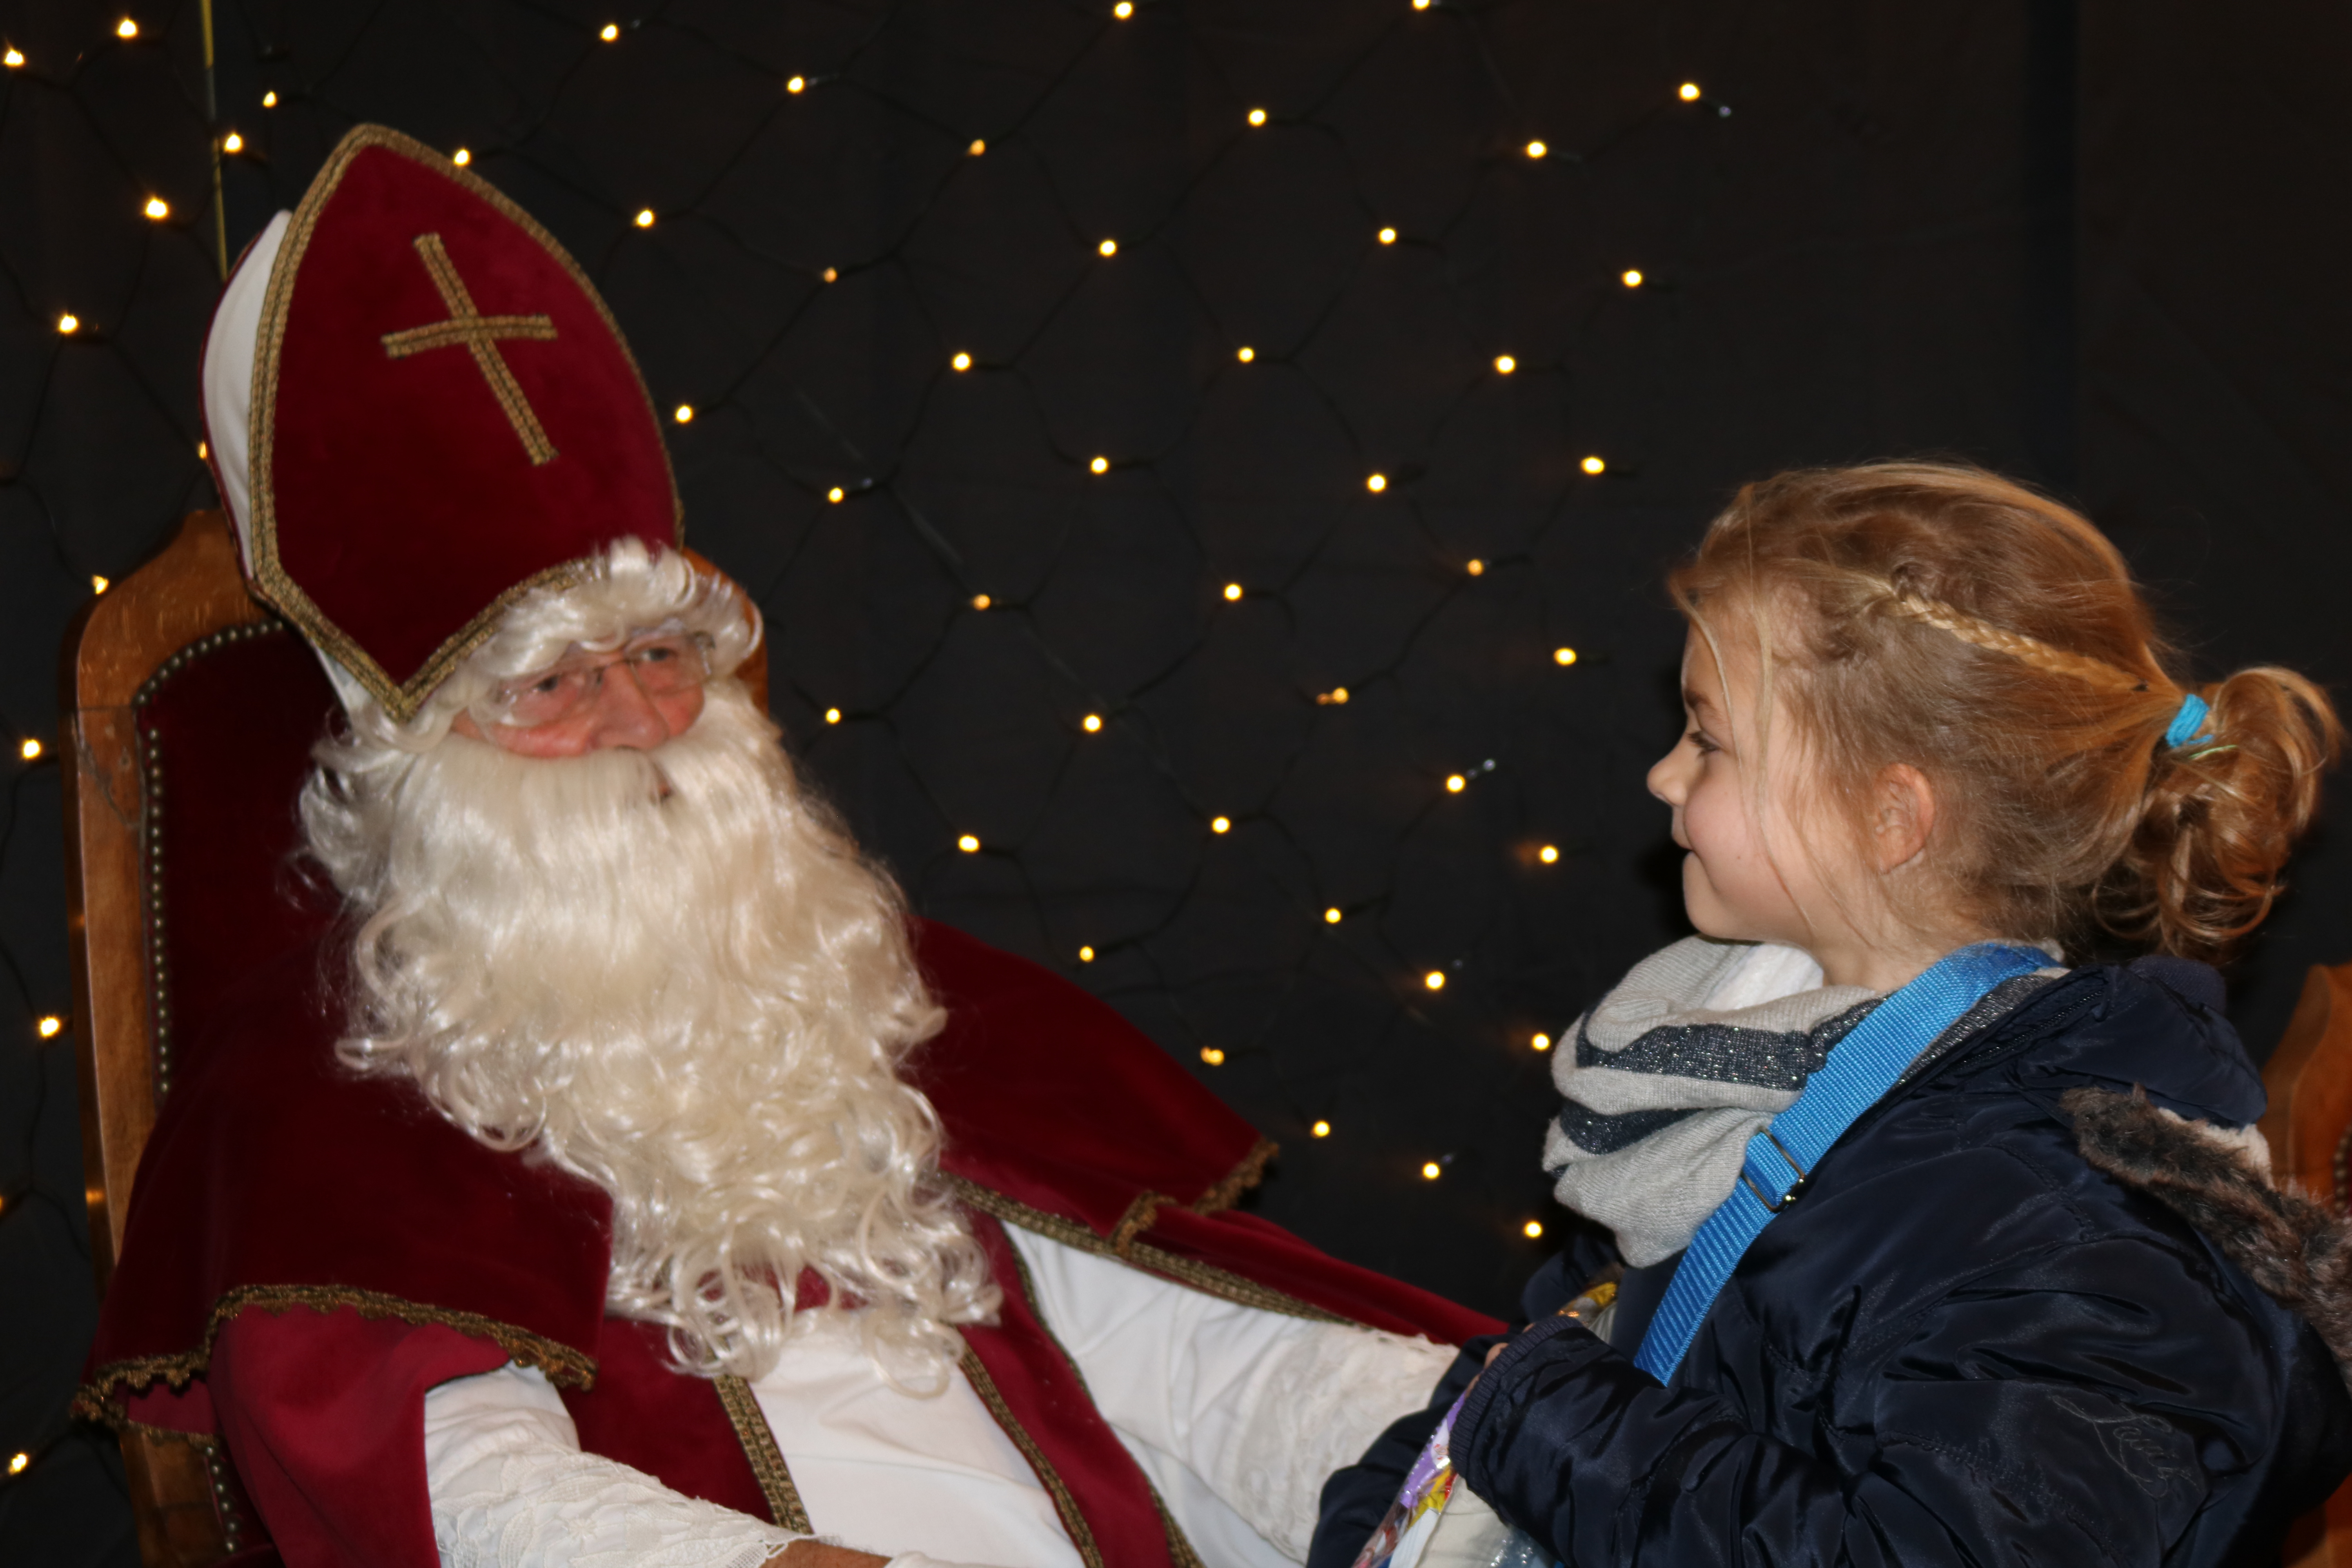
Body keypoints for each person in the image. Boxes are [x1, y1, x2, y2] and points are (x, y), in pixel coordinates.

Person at [76, 124, 1497, 1568]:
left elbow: (1155, 1342)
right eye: (553, 683)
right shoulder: (319, 1090)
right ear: (419, 757)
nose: (641, 721)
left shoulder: (831, 968)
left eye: (662, 654)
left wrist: (1459, 1446)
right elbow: (464, 1489)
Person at [1312, 463, 2352, 1566]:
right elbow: (1543, 1352)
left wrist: (1541, 1419)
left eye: (1709, 740)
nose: (1664, 776)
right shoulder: (1740, 1063)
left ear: (1888, 817)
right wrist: (1378, 1520)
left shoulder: (2068, 1236)